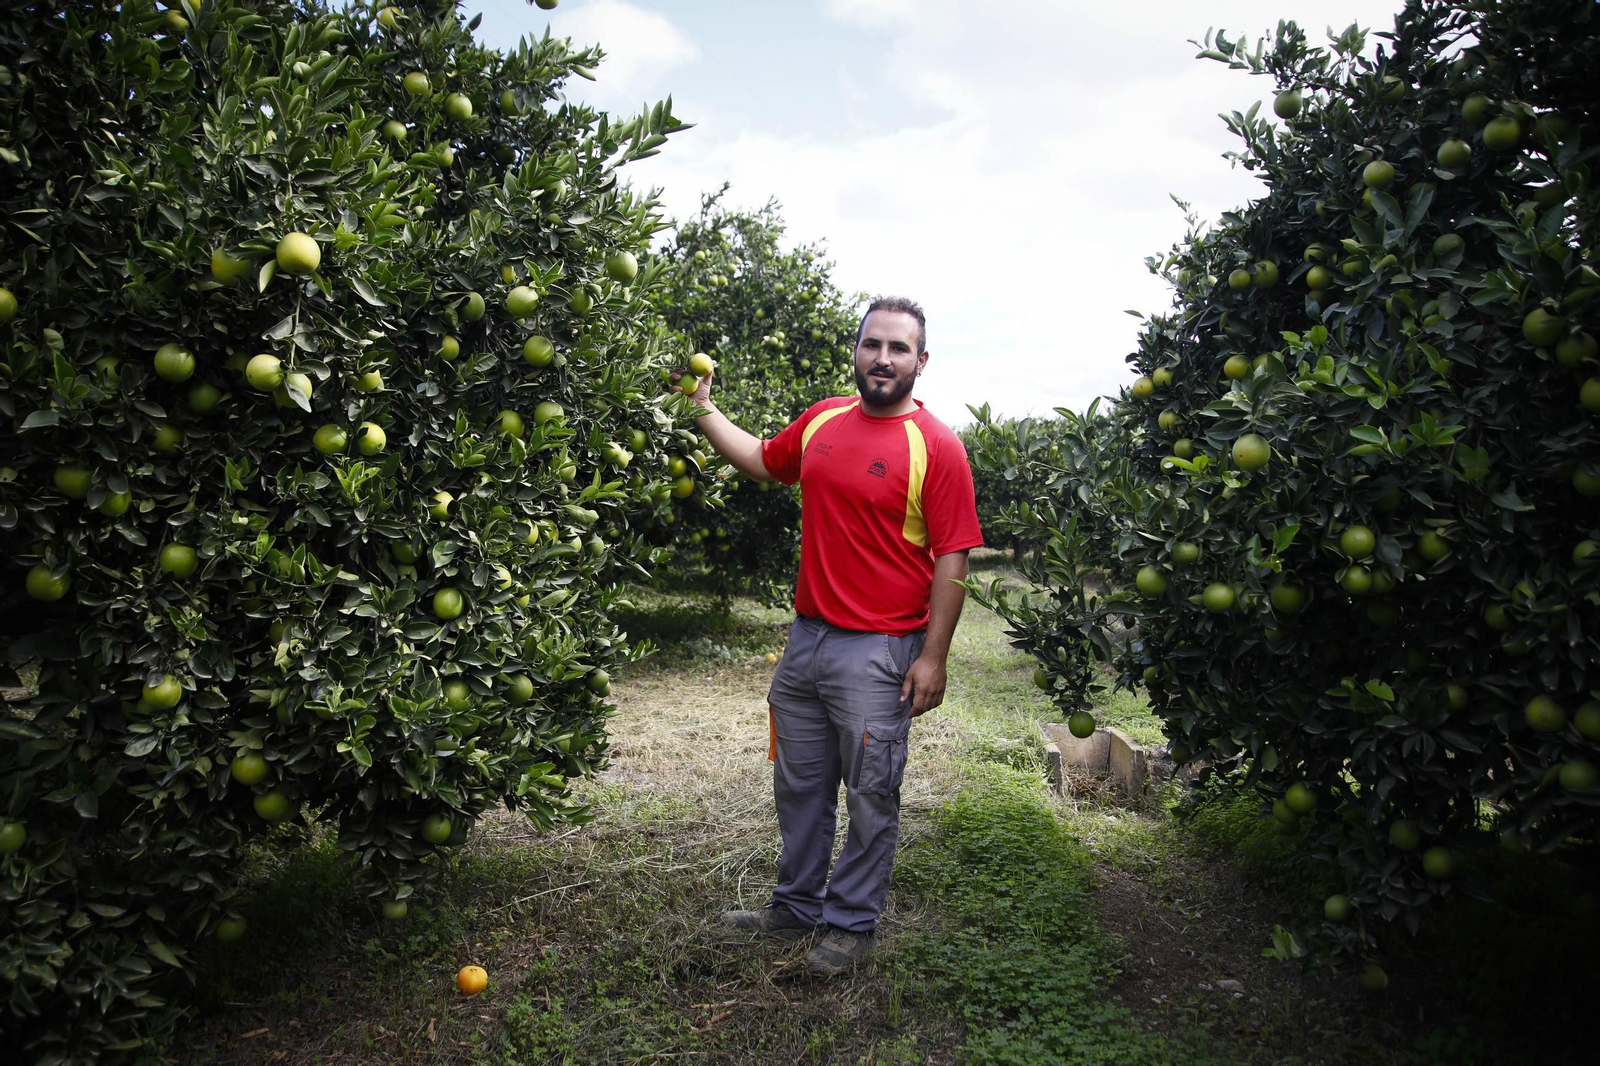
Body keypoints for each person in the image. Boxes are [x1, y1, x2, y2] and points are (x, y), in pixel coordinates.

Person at [676, 295, 984, 976]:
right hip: (807, 640)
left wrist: (933, 657)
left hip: (879, 651)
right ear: (856, 350)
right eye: (873, 344)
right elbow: (761, 458)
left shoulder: (936, 447)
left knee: (871, 792)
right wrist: (701, 407)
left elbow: (953, 557)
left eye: (898, 348)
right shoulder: (823, 420)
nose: (883, 359)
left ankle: (849, 925)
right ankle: (794, 908)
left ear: (920, 362)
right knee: (801, 784)